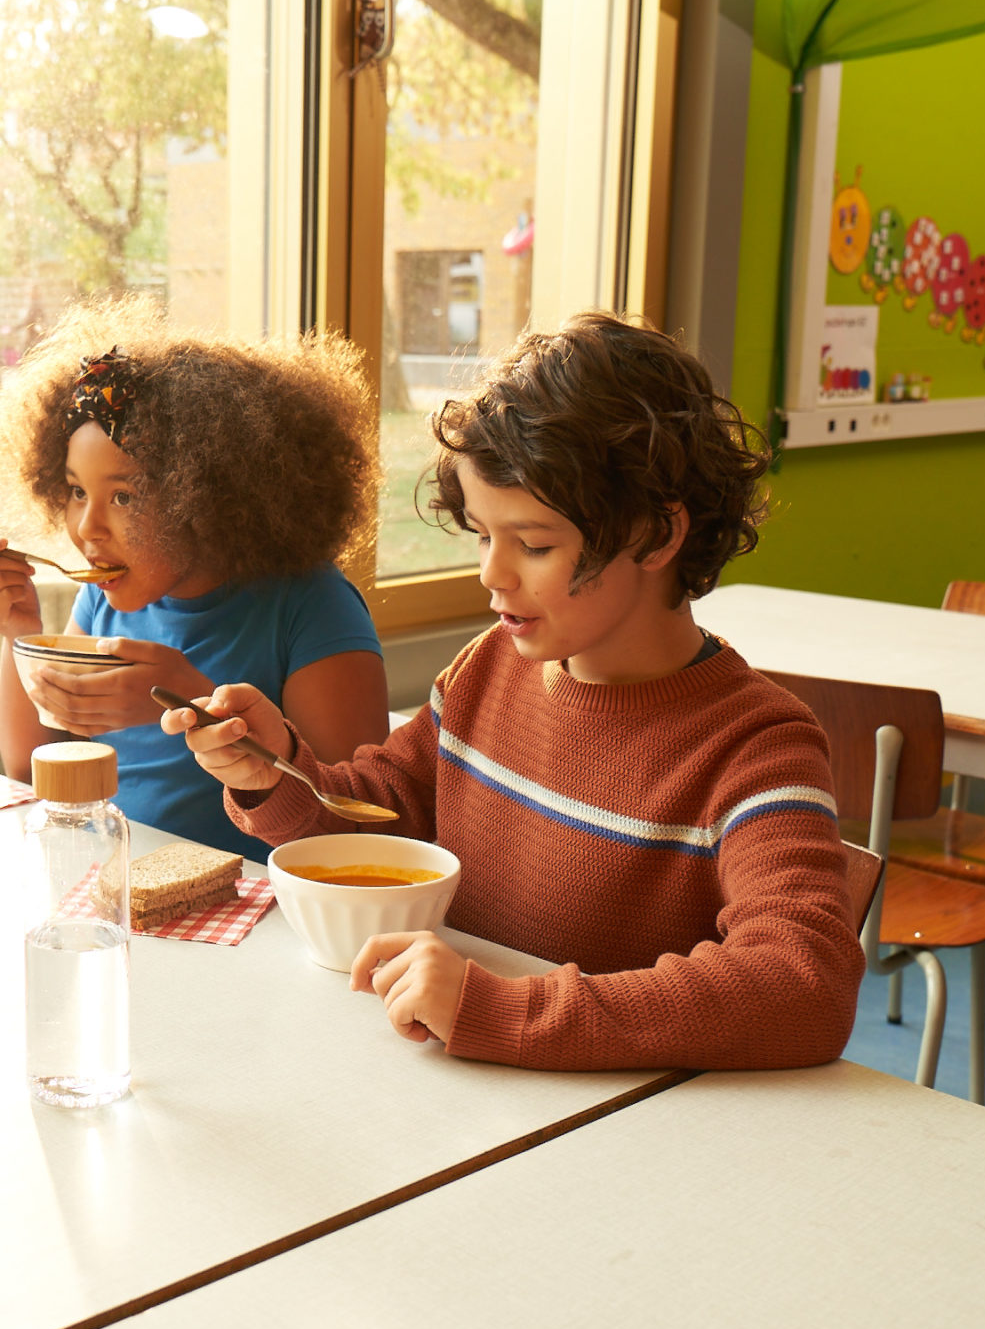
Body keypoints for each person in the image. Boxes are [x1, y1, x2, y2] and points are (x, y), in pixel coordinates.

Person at [164, 312, 865, 1070]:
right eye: (480, 535)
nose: (491, 576)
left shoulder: (756, 747)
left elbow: (806, 982)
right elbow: (380, 809)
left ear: (659, 537)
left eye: (533, 544)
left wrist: (497, 1007)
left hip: (611, 1132)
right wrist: (277, 773)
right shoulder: (488, 667)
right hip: (461, 1090)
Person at [0, 294, 391, 861]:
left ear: (209, 498)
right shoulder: (99, 599)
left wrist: (188, 698)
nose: (88, 526)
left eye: (124, 496)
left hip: (260, 919)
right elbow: (33, 770)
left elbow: (355, 827)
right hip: (125, 890)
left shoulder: (312, 606)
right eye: (77, 491)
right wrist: (22, 634)